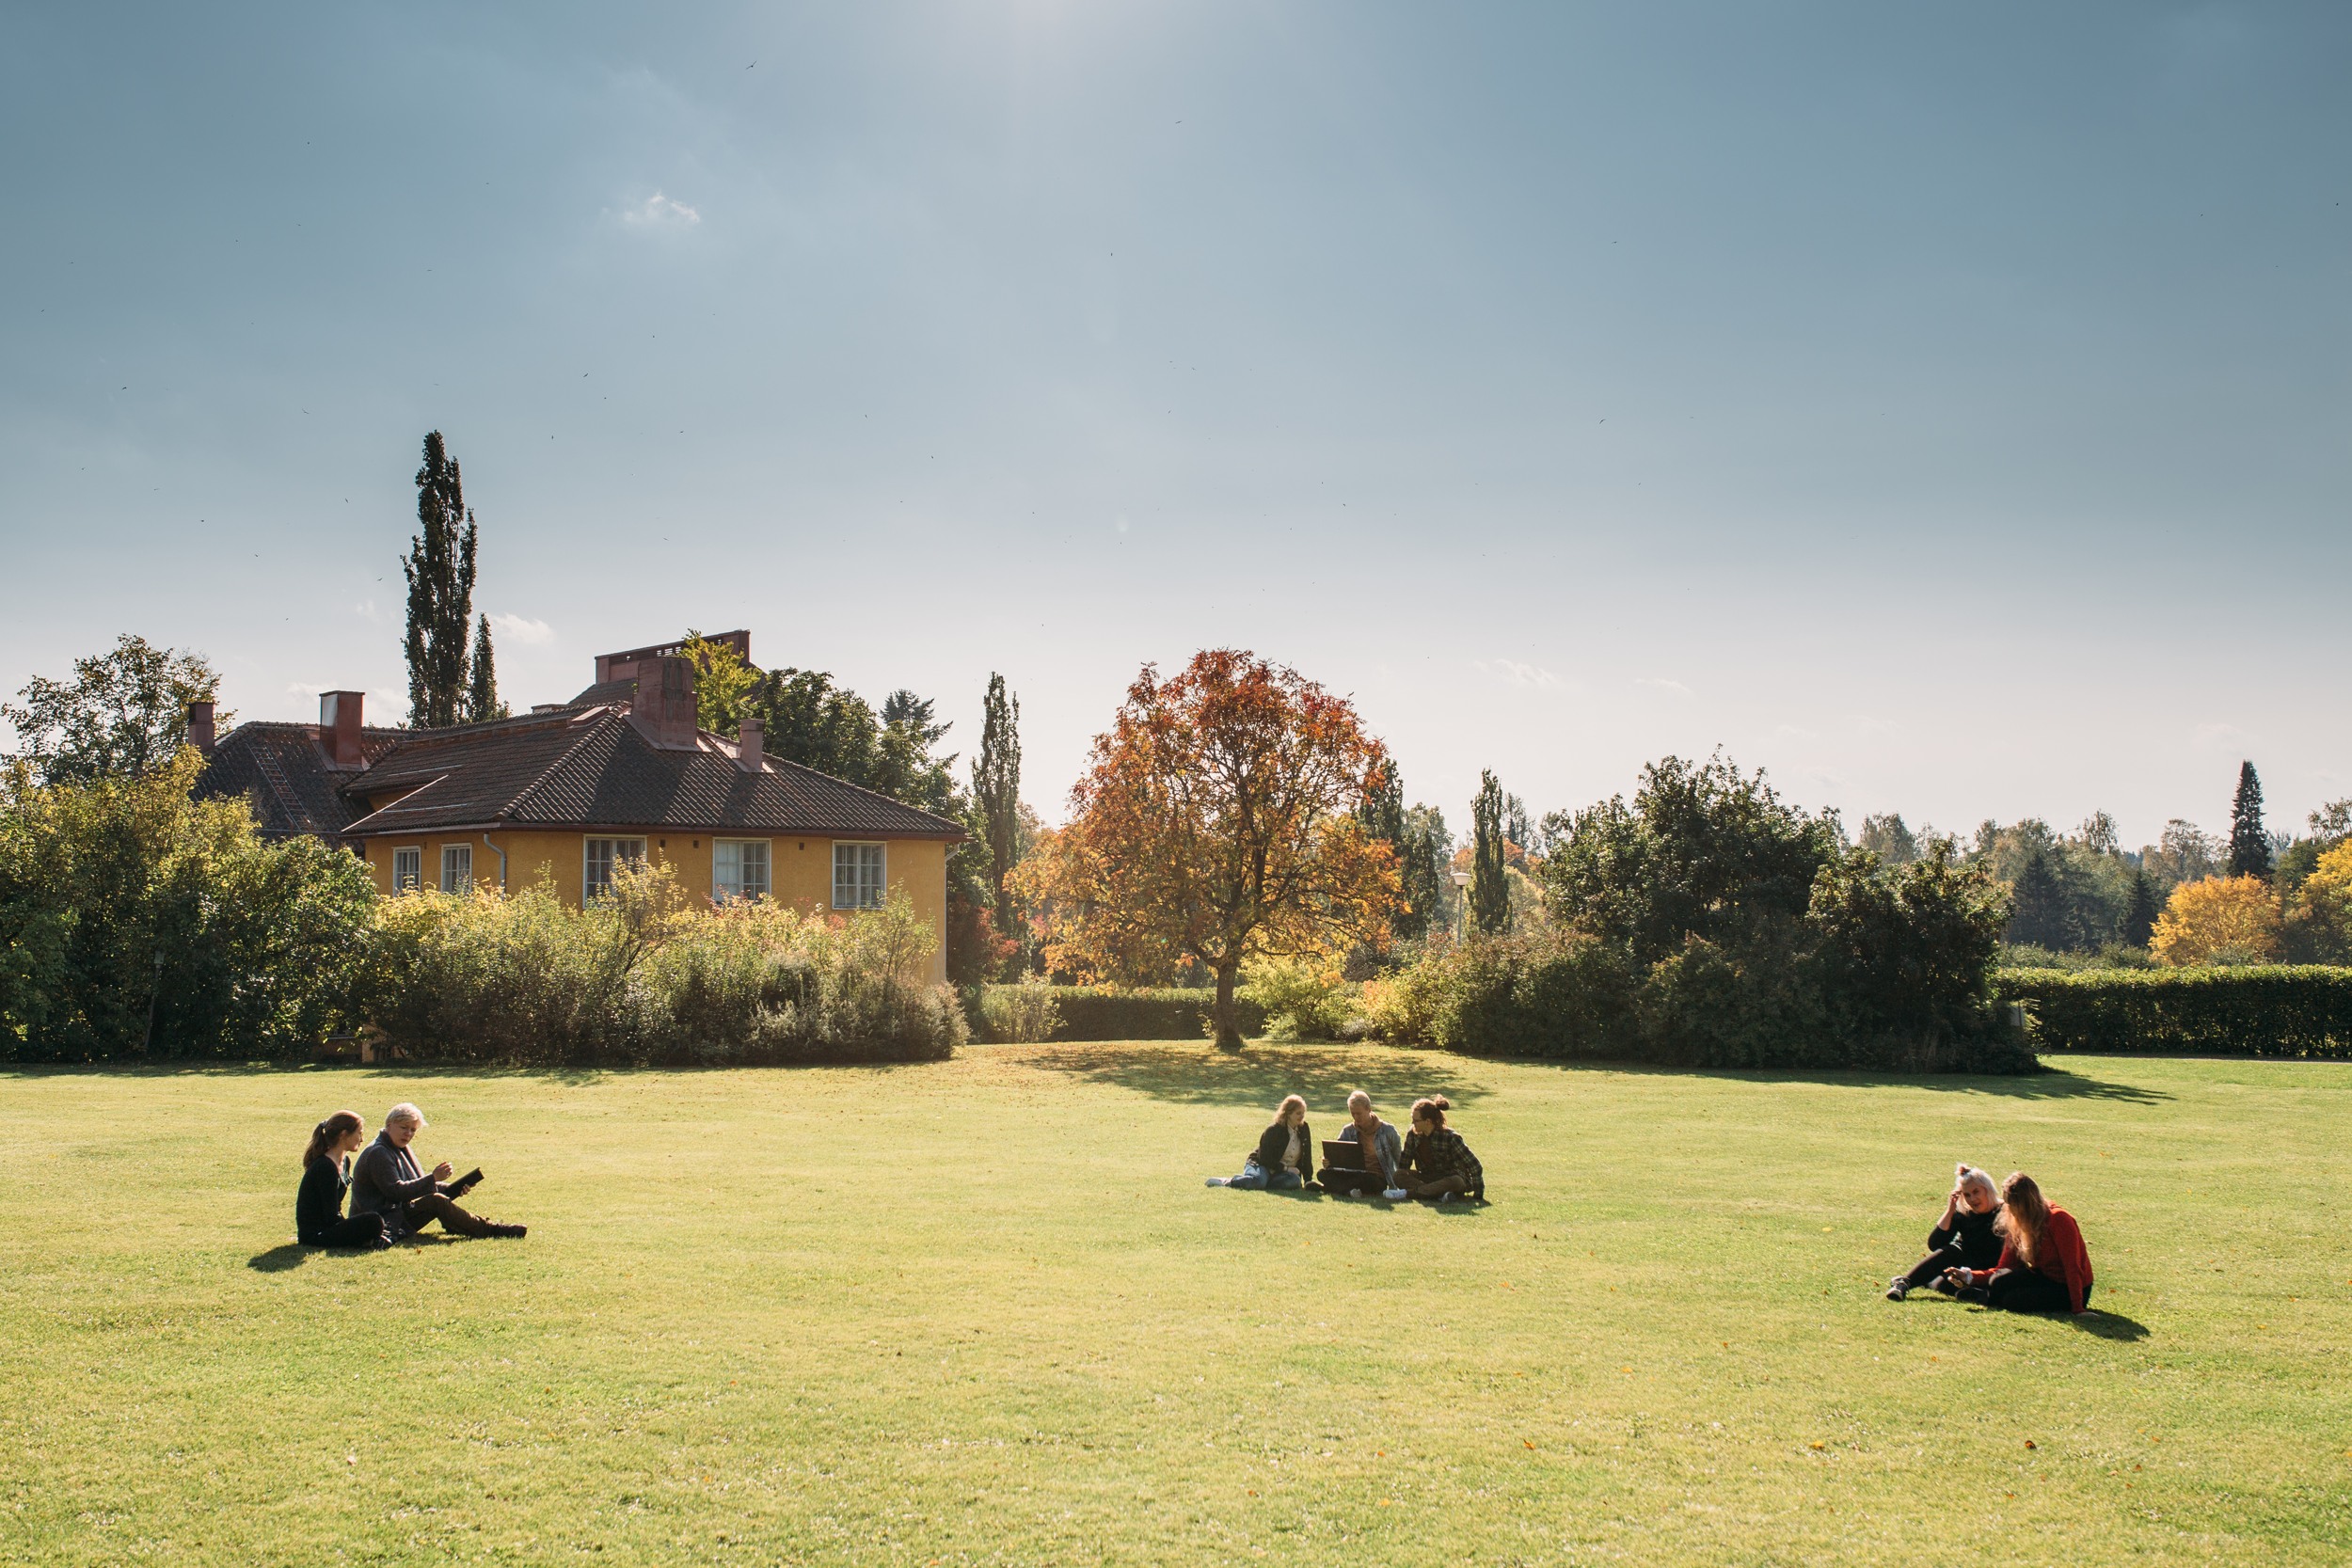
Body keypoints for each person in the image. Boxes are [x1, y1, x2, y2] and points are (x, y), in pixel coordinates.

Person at [350, 1101, 525, 1240]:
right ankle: (490, 1230)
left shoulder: (399, 1147)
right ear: (389, 1125)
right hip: (381, 1220)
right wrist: (433, 1179)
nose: (408, 1134)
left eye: (413, 1130)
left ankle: (455, 1222)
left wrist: (451, 1188)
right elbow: (395, 1192)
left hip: (397, 1213)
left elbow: (417, 1186)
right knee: (436, 1201)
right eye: (404, 1128)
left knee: (441, 1196)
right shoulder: (379, 1152)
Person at [1945, 1172, 2092, 1314]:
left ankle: (1988, 1298)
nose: (2011, 1211)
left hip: (2068, 1285)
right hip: (2044, 1276)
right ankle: (1988, 1296)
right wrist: (1969, 1275)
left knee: (2014, 1300)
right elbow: (2003, 1267)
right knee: (1998, 1280)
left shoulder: (2059, 1219)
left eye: (2014, 1206)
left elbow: (2073, 1266)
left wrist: (2078, 1308)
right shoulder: (2017, 1220)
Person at [1885, 1164, 2001, 1300]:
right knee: (1950, 1256)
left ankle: (1929, 1281)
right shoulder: (1964, 1213)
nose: (1972, 1199)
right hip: (1965, 1262)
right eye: (1967, 1195)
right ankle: (1903, 1284)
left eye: (1976, 1192)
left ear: (1987, 1189)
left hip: (1991, 1266)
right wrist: (1950, 1210)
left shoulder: (2004, 1211)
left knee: (1943, 1284)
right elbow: (1935, 1244)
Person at [296, 1111, 390, 1249]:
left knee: (377, 1219)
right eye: (359, 1133)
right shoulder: (325, 1167)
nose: (362, 1139)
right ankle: (366, 1240)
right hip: (316, 1234)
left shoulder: (344, 1161)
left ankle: (368, 1239)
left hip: (330, 1226)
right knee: (374, 1221)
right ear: (344, 1134)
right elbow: (331, 1216)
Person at [1207, 1095, 1315, 1191]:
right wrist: (1285, 1168)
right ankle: (1228, 1182)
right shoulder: (1274, 1130)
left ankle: (1259, 1183)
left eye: (1303, 1113)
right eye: (1298, 1113)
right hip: (1261, 1164)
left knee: (1294, 1181)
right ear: (1288, 1113)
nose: (1302, 1116)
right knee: (1259, 1181)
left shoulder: (1304, 1129)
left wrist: (1307, 1181)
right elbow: (1264, 1158)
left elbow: (1307, 1156)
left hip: (1281, 1173)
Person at [1392, 1095, 1484, 1203]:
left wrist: (1478, 1194)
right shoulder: (1413, 1135)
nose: (1413, 1123)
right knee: (1398, 1175)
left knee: (1456, 1181)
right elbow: (1404, 1164)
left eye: (1416, 1120)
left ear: (1428, 1121)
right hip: (1428, 1177)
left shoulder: (1450, 1137)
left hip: (1450, 1178)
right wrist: (1403, 1175)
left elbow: (1474, 1165)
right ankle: (1439, 1195)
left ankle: (1408, 1194)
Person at [1319, 1090, 1406, 1200]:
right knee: (1322, 1174)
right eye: (1352, 1113)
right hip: (1352, 1173)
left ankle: (1329, 1188)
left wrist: (1401, 1183)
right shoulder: (1348, 1131)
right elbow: (1337, 1153)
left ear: (1369, 1109)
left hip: (1376, 1177)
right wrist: (1327, 1160)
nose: (1356, 1117)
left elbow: (1398, 1157)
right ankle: (1348, 1191)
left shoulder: (1388, 1131)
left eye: (1359, 1113)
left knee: (1366, 1180)